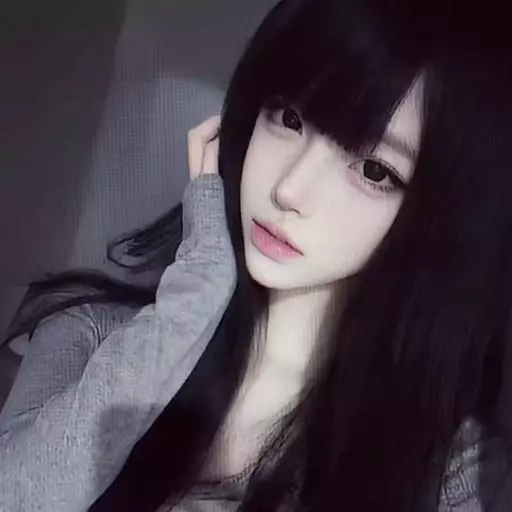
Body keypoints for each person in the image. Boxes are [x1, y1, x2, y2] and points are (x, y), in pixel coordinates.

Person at [1, 0, 512, 510]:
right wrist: (192, 297)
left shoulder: (450, 469)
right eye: (289, 118)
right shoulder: (91, 335)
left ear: (439, 215)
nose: (289, 189)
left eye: (373, 171)